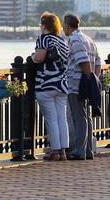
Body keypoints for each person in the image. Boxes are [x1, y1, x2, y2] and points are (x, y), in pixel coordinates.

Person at [31, 12, 70, 161]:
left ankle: (54, 151)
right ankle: (63, 151)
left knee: (51, 119)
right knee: (61, 118)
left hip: (46, 84)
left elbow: (39, 57)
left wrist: (33, 57)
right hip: (61, 85)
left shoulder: (44, 38)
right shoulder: (62, 41)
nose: (40, 27)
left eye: (41, 24)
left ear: (44, 25)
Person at [63, 13, 101, 161]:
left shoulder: (74, 39)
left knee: (78, 117)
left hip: (76, 83)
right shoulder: (89, 39)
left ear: (67, 25)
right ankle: (88, 150)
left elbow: (82, 60)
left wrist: (89, 78)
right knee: (86, 117)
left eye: (64, 26)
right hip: (86, 82)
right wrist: (95, 78)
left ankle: (79, 151)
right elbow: (97, 61)